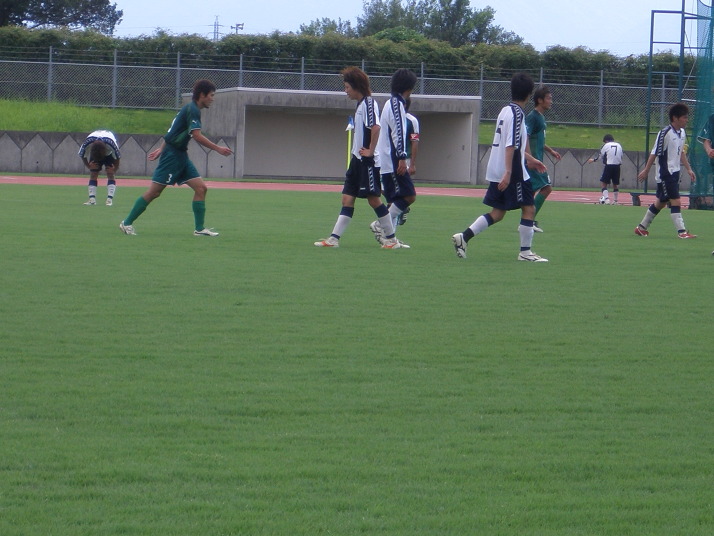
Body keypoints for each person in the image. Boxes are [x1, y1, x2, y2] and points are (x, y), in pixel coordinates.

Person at [451, 73, 548, 262]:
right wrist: (509, 172)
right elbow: (510, 145)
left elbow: (511, 144)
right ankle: (525, 253)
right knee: (529, 208)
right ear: (529, 94)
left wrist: (530, 159)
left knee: (498, 213)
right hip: (511, 170)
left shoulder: (505, 110)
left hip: (498, 168)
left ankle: (464, 237)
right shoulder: (518, 114)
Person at [119, 79, 233, 236]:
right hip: (172, 156)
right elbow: (196, 135)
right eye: (211, 95)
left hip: (180, 155)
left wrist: (161, 149)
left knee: (201, 188)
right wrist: (217, 148)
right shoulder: (192, 110)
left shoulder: (189, 109)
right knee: (154, 192)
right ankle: (126, 223)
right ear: (202, 95)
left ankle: (199, 229)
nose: (212, 99)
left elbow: (172, 131)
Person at [314, 67, 402, 249]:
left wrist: (370, 151)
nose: (345, 91)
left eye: (347, 87)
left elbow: (375, 127)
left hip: (367, 162)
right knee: (347, 199)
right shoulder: (361, 104)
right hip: (356, 160)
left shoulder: (369, 103)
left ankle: (392, 240)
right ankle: (333, 239)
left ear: (356, 86)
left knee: (373, 199)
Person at [369, 68, 419, 247]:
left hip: (387, 160)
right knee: (409, 196)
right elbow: (398, 132)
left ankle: (390, 240)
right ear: (409, 87)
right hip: (392, 160)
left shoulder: (391, 103)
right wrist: (402, 158)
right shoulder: (397, 104)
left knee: (393, 201)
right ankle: (380, 224)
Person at [634, 102, 696, 239]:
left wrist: (689, 169)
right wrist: (646, 170)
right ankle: (682, 232)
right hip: (665, 173)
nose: (686, 120)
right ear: (675, 118)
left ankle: (641, 228)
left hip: (675, 173)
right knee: (676, 200)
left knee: (661, 202)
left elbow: (681, 153)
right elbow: (654, 152)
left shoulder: (682, 133)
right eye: (684, 117)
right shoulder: (665, 133)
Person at [525, 86, 561, 232]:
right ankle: (529, 220)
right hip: (533, 162)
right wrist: (530, 159)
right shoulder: (532, 117)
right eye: (548, 98)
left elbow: (538, 139)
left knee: (532, 192)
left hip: (537, 160)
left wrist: (550, 151)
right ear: (540, 100)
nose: (551, 101)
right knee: (546, 188)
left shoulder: (540, 117)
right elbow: (525, 137)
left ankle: (526, 222)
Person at [78, 130, 120, 206]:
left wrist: (114, 170)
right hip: (95, 153)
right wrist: (89, 166)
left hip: (109, 154)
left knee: (110, 174)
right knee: (93, 173)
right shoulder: (87, 143)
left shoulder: (111, 144)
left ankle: (109, 200)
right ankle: (92, 200)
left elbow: (118, 157)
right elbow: (82, 155)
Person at [395, 97, 420, 226]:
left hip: (405, 160)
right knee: (383, 189)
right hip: (390, 159)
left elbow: (414, 142)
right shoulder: (391, 118)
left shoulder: (411, 120)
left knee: (401, 190)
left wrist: (412, 164)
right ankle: (402, 207)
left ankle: (389, 231)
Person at [587, 134, 623, 205]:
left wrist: (593, 160)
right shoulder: (619, 145)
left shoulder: (606, 145)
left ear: (606, 140)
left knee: (604, 183)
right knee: (615, 184)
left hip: (609, 166)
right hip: (617, 166)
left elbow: (600, 157)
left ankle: (607, 199)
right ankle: (615, 201)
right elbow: (621, 155)